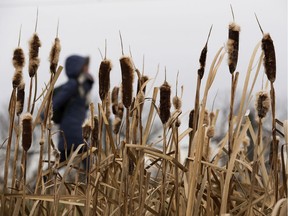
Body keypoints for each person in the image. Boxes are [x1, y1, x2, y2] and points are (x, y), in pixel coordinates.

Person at [52, 55, 94, 163]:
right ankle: (45, 178)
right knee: (87, 161)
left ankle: (45, 178)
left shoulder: (81, 85)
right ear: (78, 68)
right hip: (72, 131)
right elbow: (57, 101)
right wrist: (42, 117)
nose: (87, 69)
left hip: (76, 129)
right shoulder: (73, 84)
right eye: (85, 66)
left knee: (62, 161)